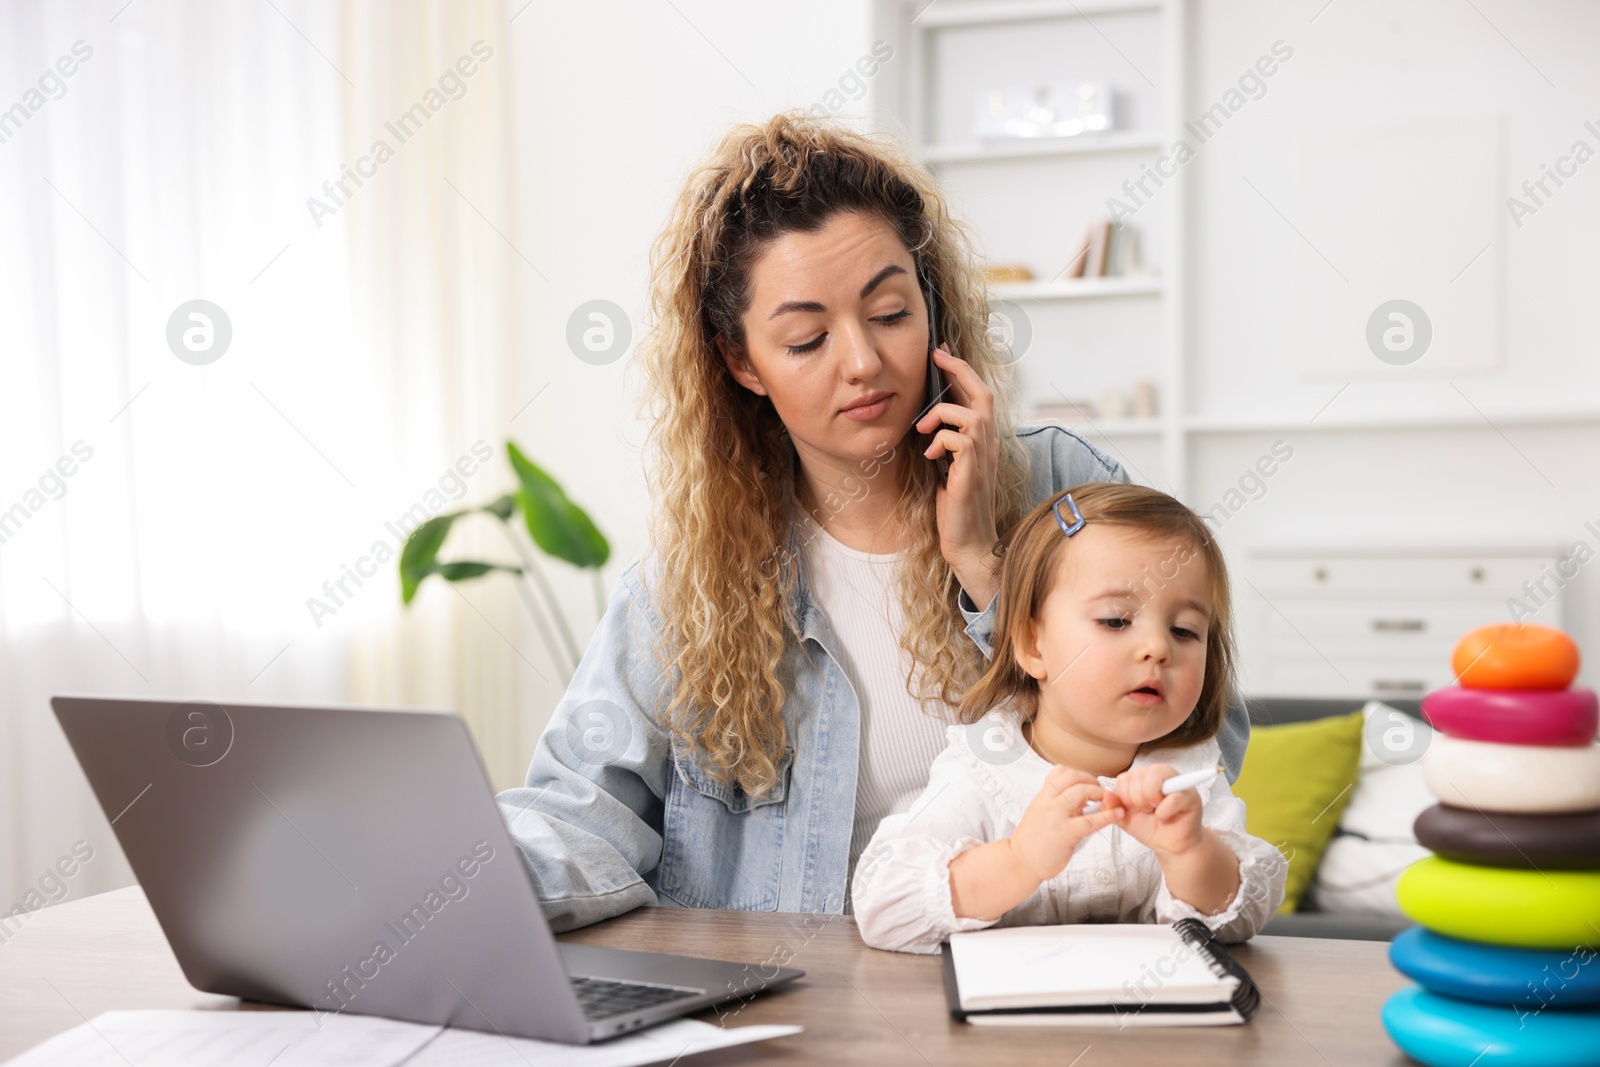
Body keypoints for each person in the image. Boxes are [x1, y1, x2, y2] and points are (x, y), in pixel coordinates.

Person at [495, 111, 1252, 932]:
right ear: (741, 362)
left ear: (933, 306)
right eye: (808, 337)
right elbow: (578, 812)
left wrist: (986, 571)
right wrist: (443, 888)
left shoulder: (1067, 492)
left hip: (1035, 989)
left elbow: (1206, 738)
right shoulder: (691, 579)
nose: (862, 361)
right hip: (792, 1007)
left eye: (890, 313)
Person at [851, 483, 1287, 954]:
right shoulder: (984, 768)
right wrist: (1019, 861)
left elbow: (1245, 915)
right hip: (1005, 1020)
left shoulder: (1187, 774)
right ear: (1033, 646)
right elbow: (883, 905)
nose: (1158, 648)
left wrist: (1191, 853)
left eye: (1184, 630)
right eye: (1116, 621)